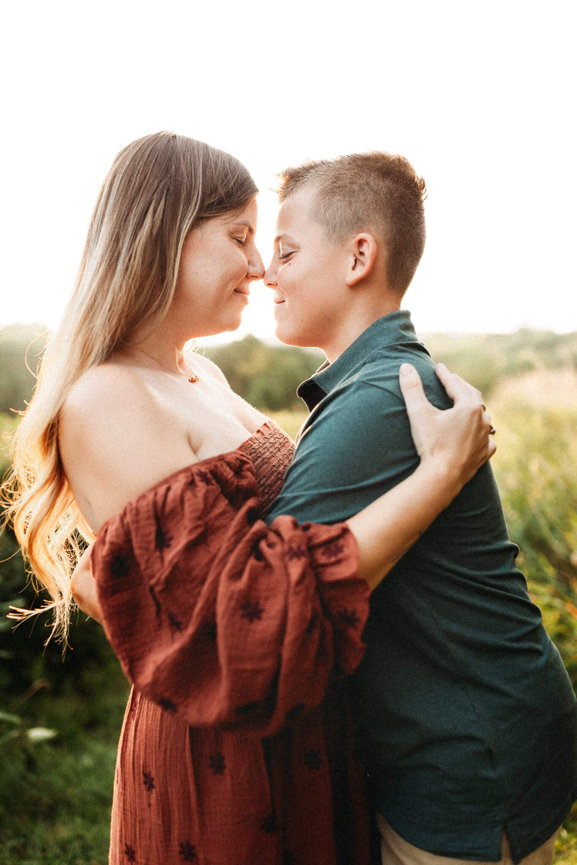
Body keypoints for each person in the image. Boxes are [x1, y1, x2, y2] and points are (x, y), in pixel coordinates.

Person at [3, 132, 495, 865]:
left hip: (306, 729)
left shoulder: (200, 374)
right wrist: (438, 477)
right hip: (227, 757)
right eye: (239, 236)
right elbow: (241, 627)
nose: (259, 265)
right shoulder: (108, 396)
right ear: (163, 236)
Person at [259, 152, 577, 864]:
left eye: (284, 252)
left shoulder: (378, 399)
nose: (265, 273)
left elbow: (268, 593)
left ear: (357, 256)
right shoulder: (379, 381)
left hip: (463, 758)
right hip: (491, 724)